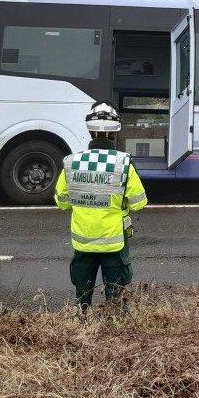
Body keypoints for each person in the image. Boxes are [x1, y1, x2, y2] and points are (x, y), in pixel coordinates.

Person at [55, 102, 147, 312]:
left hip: (82, 242)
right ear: (115, 134)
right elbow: (139, 202)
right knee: (115, 296)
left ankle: (82, 324)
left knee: (82, 296)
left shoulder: (72, 162)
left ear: (89, 130)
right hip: (114, 243)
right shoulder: (124, 163)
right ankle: (114, 330)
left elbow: (61, 201)